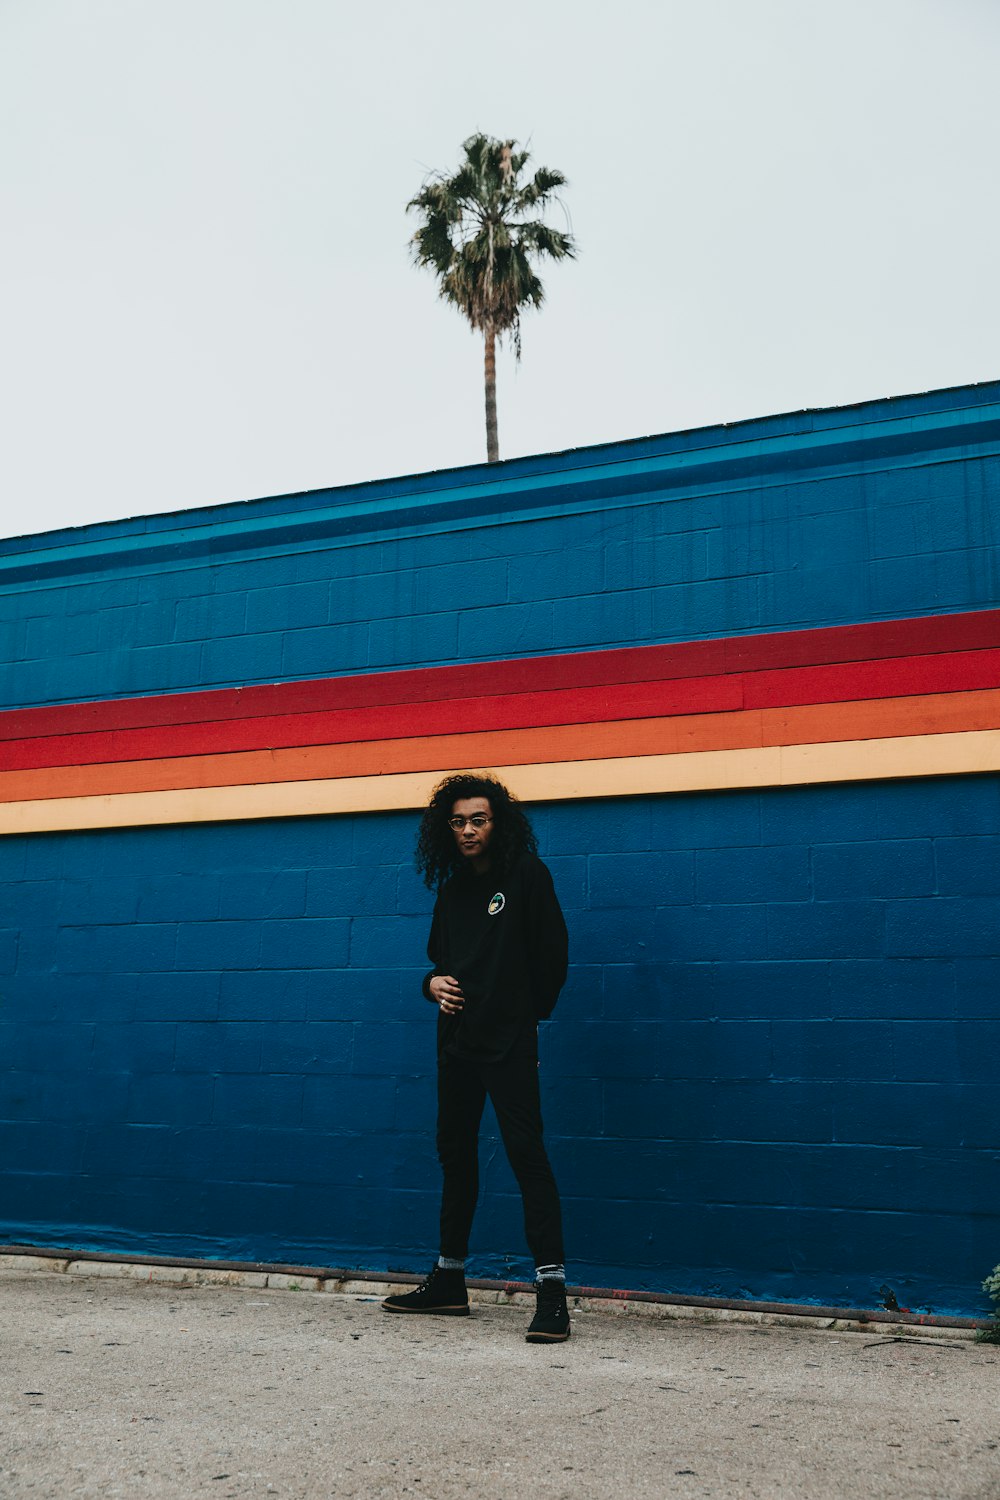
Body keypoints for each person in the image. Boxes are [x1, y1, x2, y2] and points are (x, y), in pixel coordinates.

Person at [381, 772, 571, 1342]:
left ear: (498, 824)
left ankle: (553, 1294)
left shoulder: (528, 877)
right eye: (459, 821)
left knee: (526, 1158)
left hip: (509, 1045)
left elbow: (553, 961)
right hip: (455, 1045)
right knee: (455, 1156)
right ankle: (449, 1281)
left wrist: (523, 1022)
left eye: (478, 820)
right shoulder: (452, 890)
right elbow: (439, 963)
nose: (468, 830)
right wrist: (429, 985)